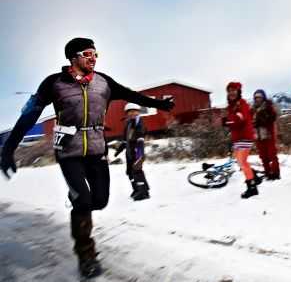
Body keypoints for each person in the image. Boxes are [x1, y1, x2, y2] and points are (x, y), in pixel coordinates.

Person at [0, 38, 176, 277]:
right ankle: (86, 255)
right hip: (69, 152)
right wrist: (8, 148)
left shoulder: (103, 82)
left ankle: (78, 200)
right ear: (73, 57)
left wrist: (160, 104)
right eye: (88, 53)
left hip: (96, 151)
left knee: (100, 200)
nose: (93, 58)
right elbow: (29, 116)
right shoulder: (54, 83)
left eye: (96, 54)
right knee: (83, 200)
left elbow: (131, 95)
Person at [223, 82, 261, 198]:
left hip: (245, 136)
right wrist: (227, 121)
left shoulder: (242, 103)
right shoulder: (231, 106)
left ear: (238, 92)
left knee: (242, 162)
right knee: (241, 162)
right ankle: (254, 176)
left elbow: (241, 118)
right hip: (238, 137)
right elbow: (233, 121)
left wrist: (228, 121)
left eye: (234, 90)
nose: (231, 93)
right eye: (229, 91)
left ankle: (252, 187)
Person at [114, 103, 150, 201]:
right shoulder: (128, 124)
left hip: (137, 151)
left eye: (135, 111)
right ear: (127, 113)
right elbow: (126, 140)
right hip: (129, 152)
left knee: (137, 170)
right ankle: (137, 189)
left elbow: (140, 140)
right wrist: (120, 149)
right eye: (130, 111)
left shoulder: (139, 124)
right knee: (130, 172)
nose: (132, 113)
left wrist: (140, 155)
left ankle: (143, 192)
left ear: (138, 112)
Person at [252, 89, 280, 180]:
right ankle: (268, 173)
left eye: (259, 97)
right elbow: (250, 121)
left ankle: (275, 173)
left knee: (272, 155)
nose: (257, 99)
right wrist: (254, 123)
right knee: (263, 156)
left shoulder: (268, 106)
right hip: (258, 135)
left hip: (268, 135)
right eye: (256, 97)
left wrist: (263, 119)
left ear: (263, 97)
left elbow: (273, 117)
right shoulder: (253, 109)